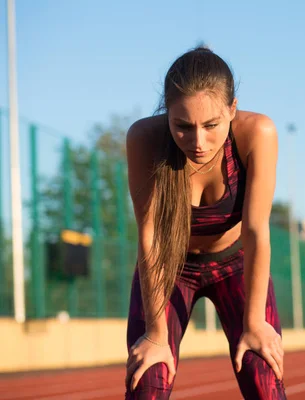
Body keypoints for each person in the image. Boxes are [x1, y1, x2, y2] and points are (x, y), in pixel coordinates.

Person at [123, 45, 287, 399]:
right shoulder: (144, 139)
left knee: (263, 373)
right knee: (148, 379)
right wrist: (155, 334)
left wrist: (255, 323)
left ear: (232, 109)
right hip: (170, 267)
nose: (198, 142)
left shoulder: (257, 133)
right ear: (167, 114)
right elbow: (149, 237)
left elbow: (256, 231)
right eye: (182, 126)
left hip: (235, 264)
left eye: (211, 125)